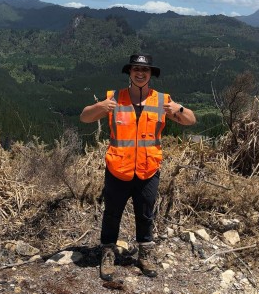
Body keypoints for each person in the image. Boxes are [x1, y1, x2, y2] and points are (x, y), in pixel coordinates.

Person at [80, 53, 196, 280]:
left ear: (151, 74)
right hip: (118, 168)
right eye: (136, 70)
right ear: (129, 73)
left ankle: (145, 253)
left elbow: (191, 120)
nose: (140, 73)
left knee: (145, 213)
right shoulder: (113, 98)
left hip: (148, 168)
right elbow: (85, 117)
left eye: (145, 70)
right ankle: (107, 253)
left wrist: (178, 109)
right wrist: (101, 106)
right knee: (112, 213)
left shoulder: (163, 101)